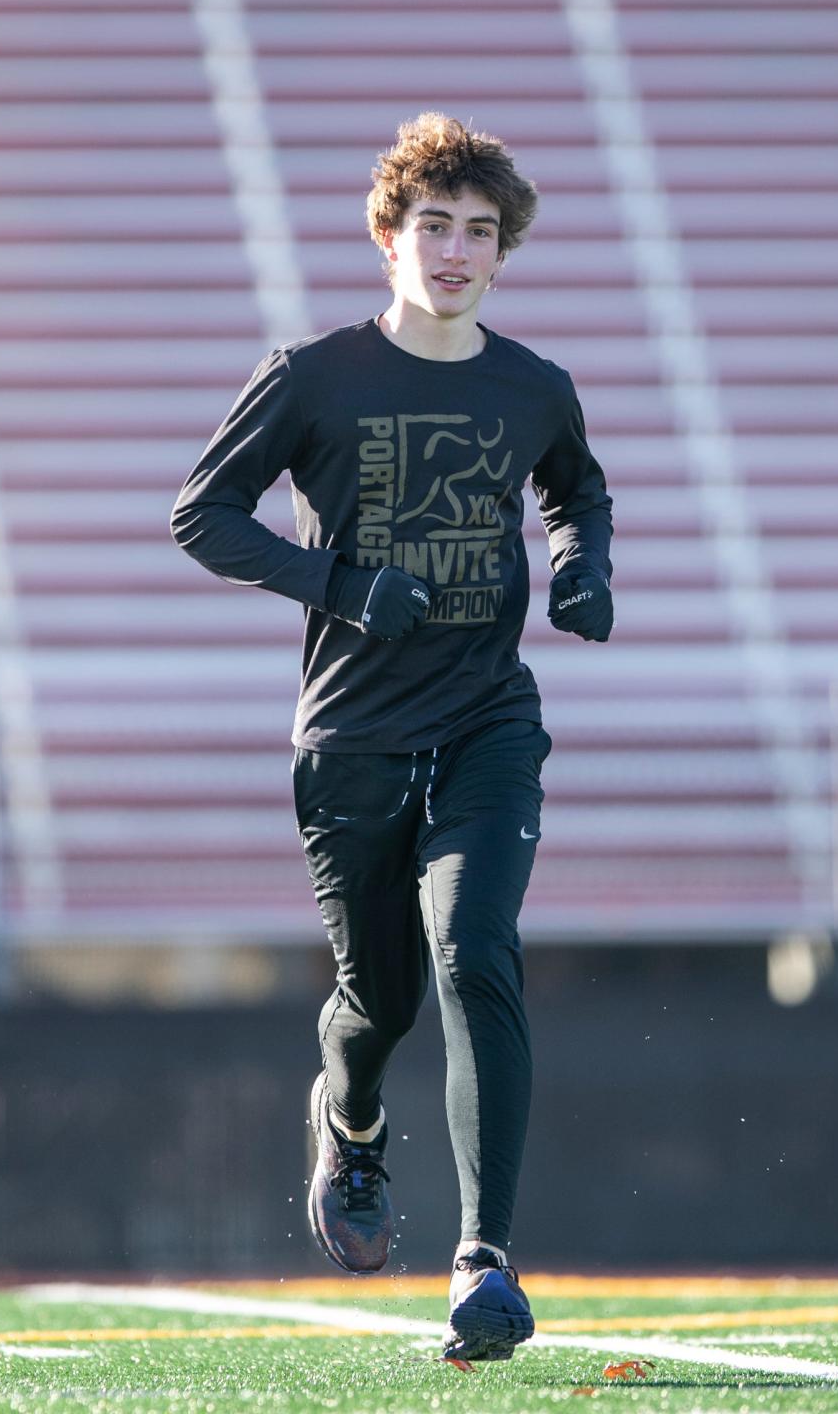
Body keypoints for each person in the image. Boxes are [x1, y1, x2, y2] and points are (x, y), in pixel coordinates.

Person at [170, 112, 613, 1363]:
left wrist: (583, 566)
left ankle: (485, 1264)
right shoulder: (315, 375)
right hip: (354, 737)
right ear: (390, 237)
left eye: (480, 232)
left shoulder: (535, 387)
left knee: (475, 951)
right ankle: (350, 1122)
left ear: (503, 252)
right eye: (435, 226)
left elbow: (576, 487)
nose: (457, 250)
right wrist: (342, 587)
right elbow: (201, 516)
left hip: (488, 723)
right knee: (380, 998)